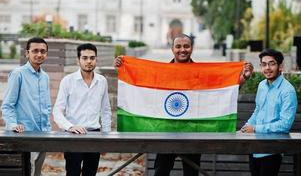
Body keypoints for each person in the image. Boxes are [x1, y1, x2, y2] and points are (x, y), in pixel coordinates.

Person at [114, 33, 254, 176]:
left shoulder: (201, 73)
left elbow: (221, 90)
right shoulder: (161, 72)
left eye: (186, 46)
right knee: (161, 171)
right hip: (165, 134)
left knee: (191, 173)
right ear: (172, 49)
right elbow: (139, 81)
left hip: (192, 133)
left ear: (191, 48)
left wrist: (243, 78)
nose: (182, 50)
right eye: (178, 46)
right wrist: (123, 67)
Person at [53, 43, 111, 176]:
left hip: (95, 135)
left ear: (96, 59)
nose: (89, 61)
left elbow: (106, 111)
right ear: (78, 60)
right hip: (73, 136)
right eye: (84, 58)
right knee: (72, 173)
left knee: (90, 174)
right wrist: (70, 127)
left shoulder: (102, 81)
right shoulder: (67, 81)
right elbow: (57, 111)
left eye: (92, 58)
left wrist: (106, 138)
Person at [241, 49, 297, 176]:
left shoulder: (287, 91)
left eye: (272, 63)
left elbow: (285, 124)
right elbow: (258, 110)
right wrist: (246, 127)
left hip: (272, 149)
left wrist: (255, 128)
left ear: (280, 66)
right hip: (255, 146)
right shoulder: (261, 85)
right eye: (264, 64)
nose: (267, 68)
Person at [1, 37, 51, 176]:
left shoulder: (45, 76)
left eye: (43, 51)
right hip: (23, 136)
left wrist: (47, 129)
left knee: (37, 173)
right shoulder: (18, 74)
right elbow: (7, 105)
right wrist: (13, 125)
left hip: (42, 135)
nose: (39, 54)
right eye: (35, 51)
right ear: (27, 53)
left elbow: (45, 106)